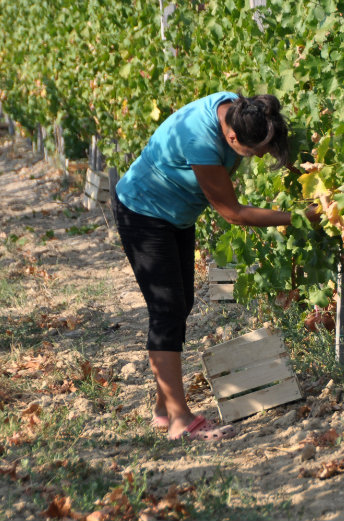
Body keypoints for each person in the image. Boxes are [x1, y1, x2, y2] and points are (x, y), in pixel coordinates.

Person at [112, 92, 318, 441]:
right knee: (166, 309)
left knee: (182, 305)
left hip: (175, 215)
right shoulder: (202, 141)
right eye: (253, 153)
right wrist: (301, 218)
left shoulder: (242, 109)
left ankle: (164, 410)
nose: (257, 158)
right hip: (143, 212)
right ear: (232, 137)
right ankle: (179, 420)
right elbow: (233, 213)